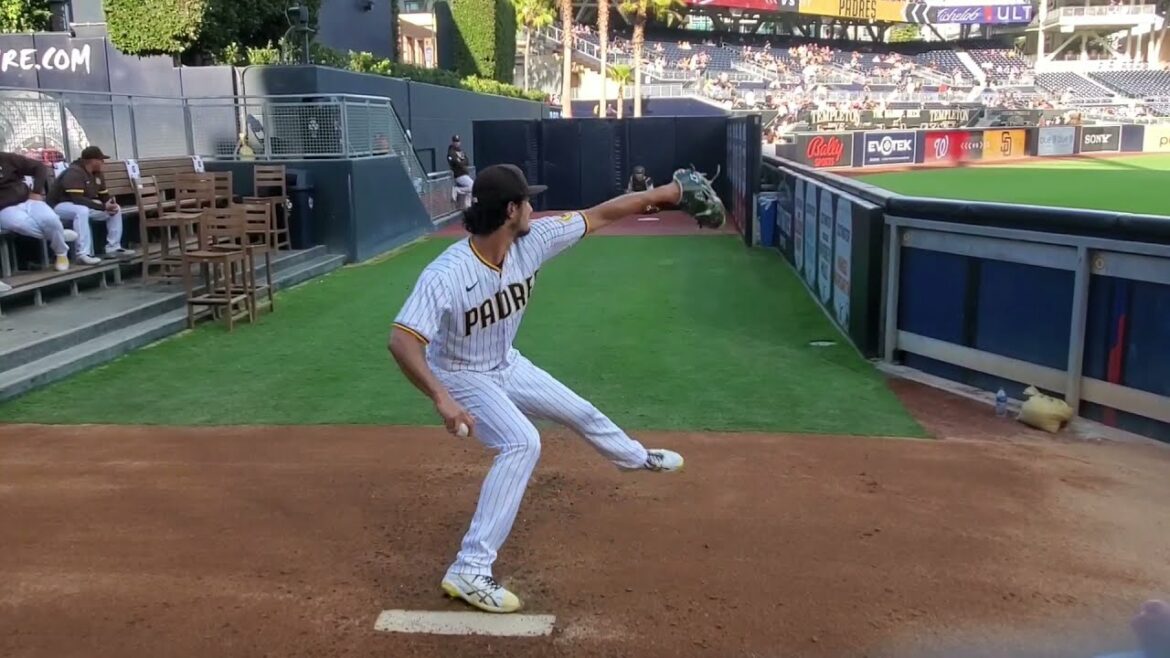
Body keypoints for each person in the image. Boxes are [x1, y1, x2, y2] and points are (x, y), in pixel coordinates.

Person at [388, 163, 723, 614]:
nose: (533, 206)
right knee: (522, 443)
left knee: (579, 410)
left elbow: (600, 215)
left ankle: (635, 458)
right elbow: (403, 340)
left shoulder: (534, 241)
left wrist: (669, 192)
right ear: (510, 210)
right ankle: (469, 568)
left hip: (506, 363)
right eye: (527, 200)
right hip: (460, 374)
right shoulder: (446, 274)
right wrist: (441, 397)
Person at [50, 146, 135, 265]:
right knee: (82, 211)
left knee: (116, 209)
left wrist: (110, 203)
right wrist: (103, 207)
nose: (103, 162)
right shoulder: (74, 172)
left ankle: (113, 247)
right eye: (100, 159)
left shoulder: (97, 174)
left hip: (79, 205)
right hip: (59, 206)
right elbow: (77, 199)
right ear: (92, 160)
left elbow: (103, 196)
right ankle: (82, 254)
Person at [0, 151, 79, 272]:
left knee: (50, 219)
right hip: (4, 208)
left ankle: (61, 253)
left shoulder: (6, 158)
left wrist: (36, 191)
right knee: (21, 224)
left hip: (26, 199)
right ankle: (59, 236)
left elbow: (39, 167)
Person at [447, 135, 473, 209]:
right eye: (455, 141)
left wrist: (462, 162)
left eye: (458, 141)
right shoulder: (451, 152)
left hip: (464, 173)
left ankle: (467, 206)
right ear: (452, 142)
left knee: (471, 189)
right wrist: (462, 162)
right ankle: (456, 189)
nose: (457, 143)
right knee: (472, 186)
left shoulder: (460, 151)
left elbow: (467, 161)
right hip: (459, 175)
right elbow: (457, 163)